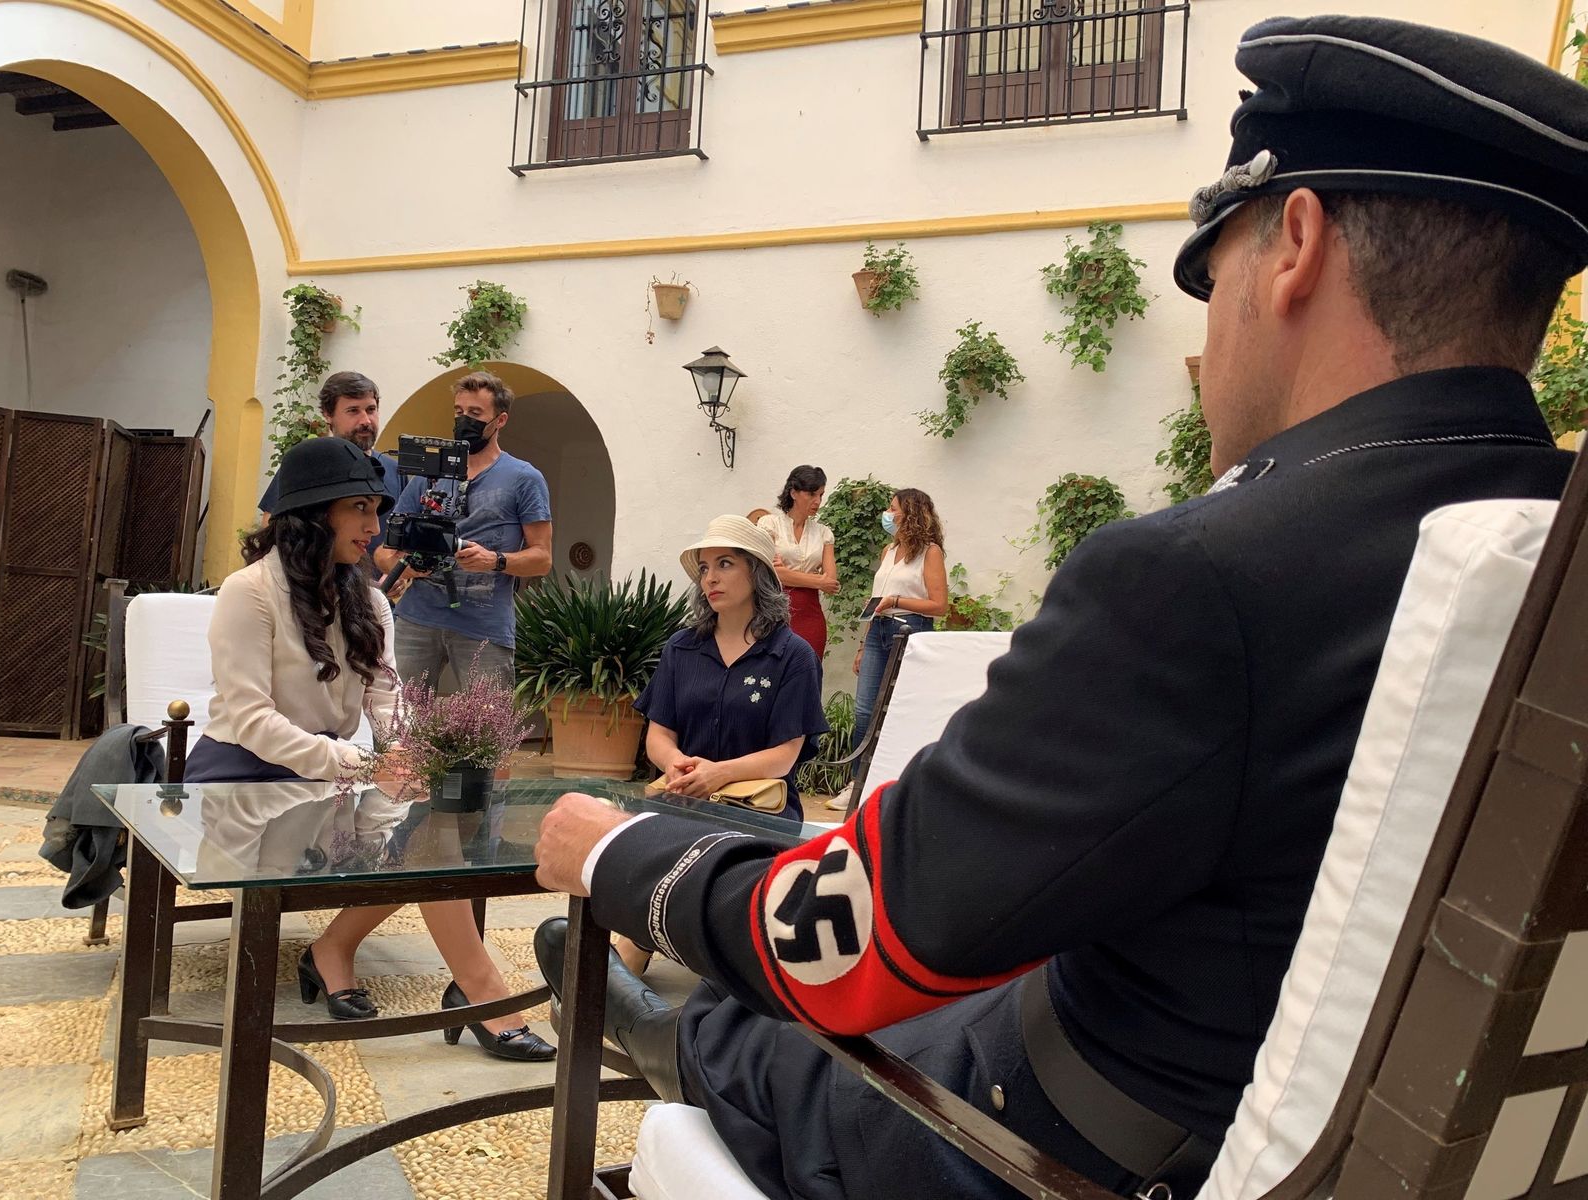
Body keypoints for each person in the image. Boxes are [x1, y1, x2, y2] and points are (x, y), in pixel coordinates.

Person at [530, 16, 1588, 1200]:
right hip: (1345, 1132)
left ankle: (686, 1040)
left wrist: (617, 851)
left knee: (757, 1027)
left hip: (1055, 1155)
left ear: (1294, 244)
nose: (1209, 326)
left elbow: (844, 944)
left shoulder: (1207, 577)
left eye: (1211, 274)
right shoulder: (1549, 552)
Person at [191, 438, 554, 1061]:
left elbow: (387, 698)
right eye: (359, 508)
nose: (375, 525)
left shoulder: (369, 600)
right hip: (243, 778)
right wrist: (366, 765)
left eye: (376, 509)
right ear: (312, 514)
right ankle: (475, 992)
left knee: (434, 824)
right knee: (422, 838)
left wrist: (413, 756)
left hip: (325, 776)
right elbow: (251, 719)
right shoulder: (247, 591)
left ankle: (443, 980)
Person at [610, 515, 829, 976]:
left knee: (726, 858)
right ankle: (638, 943)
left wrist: (719, 773)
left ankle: (715, 959)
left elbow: (785, 755)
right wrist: (676, 764)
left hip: (758, 807)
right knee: (633, 840)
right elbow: (658, 735)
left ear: (756, 572)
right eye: (705, 567)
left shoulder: (792, 656)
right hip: (683, 795)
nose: (710, 577)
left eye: (725, 564)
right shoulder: (681, 648)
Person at [375, 370, 553, 692]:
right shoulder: (429, 476)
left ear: (500, 420)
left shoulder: (524, 479)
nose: (464, 420)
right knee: (397, 715)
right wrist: (407, 567)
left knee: (486, 719)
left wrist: (494, 560)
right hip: (417, 619)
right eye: (459, 412)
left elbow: (542, 559)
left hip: (484, 627)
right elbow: (384, 552)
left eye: (475, 413)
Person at [828, 487, 948, 810]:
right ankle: (857, 783)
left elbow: (939, 605)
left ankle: (896, 785)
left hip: (909, 630)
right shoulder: (888, 550)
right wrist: (862, 645)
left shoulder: (930, 552)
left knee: (900, 709)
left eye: (893, 508)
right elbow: (876, 600)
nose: (888, 513)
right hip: (878, 630)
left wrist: (896, 600)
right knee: (865, 709)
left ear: (911, 513)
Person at [259, 371, 404, 558]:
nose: (366, 421)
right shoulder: (309, 462)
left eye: (371, 409)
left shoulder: (395, 471)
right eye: (353, 411)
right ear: (328, 414)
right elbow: (273, 529)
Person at [757, 465, 839, 660]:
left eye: (821, 495)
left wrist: (787, 573)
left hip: (811, 614)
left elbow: (831, 583)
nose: (818, 501)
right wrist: (817, 580)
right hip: (775, 610)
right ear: (793, 492)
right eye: (811, 494)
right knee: (772, 669)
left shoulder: (824, 533)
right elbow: (770, 572)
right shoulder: (769, 524)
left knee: (809, 669)